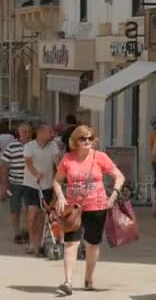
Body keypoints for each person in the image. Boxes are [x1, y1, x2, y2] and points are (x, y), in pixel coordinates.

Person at [53, 125, 125, 295]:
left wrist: (113, 196)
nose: (87, 141)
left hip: (97, 206)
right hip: (74, 208)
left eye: (90, 138)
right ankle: (67, 282)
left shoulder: (100, 157)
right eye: (83, 138)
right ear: (75, 141)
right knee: (71, 243)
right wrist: (61, 197)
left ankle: (88, 279)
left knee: (92, 244)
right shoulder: (68, 159)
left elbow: (119, 176)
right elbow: (56, 181)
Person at [23, 123, 60, 255]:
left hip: (47, 186)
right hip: (31, 185)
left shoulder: (53, 146)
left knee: (42, 217)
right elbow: (28, 163)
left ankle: (39, 244)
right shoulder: (29, 146)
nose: (52, 134)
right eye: (50, 132)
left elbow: (57, 162)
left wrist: (61, 175)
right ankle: (33, 242)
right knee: (32, 216)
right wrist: (36, 174)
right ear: (40, 133)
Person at [0, 123, 32, 244]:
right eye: (24, 131)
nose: (27, 134)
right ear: (19, 133)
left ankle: (28, 231)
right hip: (15, 183)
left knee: (30, 209)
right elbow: (4, 166)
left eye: (28, 131)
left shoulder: (34, 146)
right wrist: (4, 185)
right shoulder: (12, 146)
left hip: (30, 184)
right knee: (15, 209)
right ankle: (17, 233)